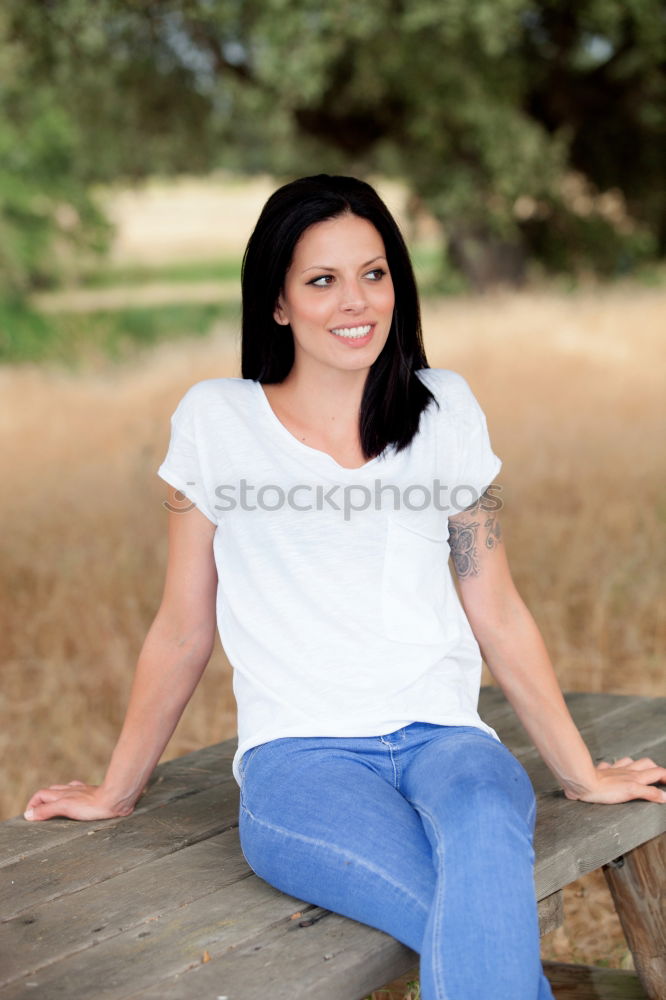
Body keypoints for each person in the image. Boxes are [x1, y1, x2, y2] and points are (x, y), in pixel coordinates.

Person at [24, 174, 665, 1000]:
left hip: (451, 743)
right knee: (470, 922)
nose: (355, 301)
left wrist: (579, 772)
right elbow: (182, 627)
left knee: (480, 852)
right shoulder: (217, 422)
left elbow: (494, 604)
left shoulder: (447, 411)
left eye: (374, 273)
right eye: (321, 280)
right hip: (302, 763)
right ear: (279, 303)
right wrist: (116, 790)